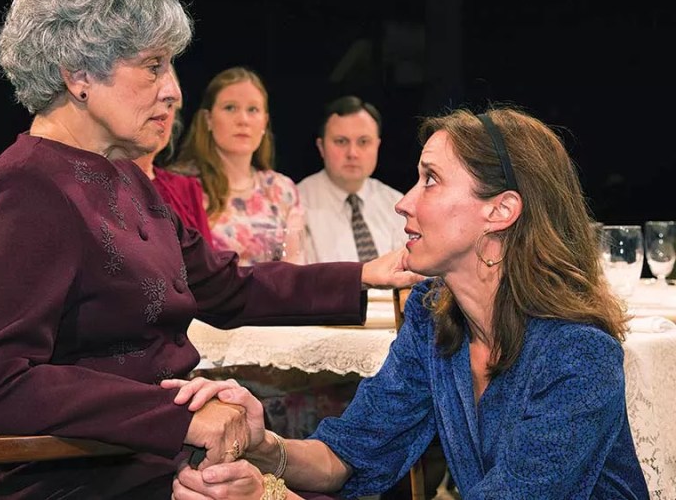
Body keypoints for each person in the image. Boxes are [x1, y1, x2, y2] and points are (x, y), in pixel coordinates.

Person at [0, 0, 419, 499]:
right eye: (152, 66)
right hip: (69, 474)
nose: (174, 90)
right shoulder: (27, 186)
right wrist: (179, 418)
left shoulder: (125, 175)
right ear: (78, 77)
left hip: (142, 456)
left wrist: (364, 275)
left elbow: (224, 286)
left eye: (170, 66)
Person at [169, 106, 650, 499]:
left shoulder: (578, 355)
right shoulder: (434, 316)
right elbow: (350, 453)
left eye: (431, 180)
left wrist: (268, 496)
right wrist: (265, 449)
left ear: (500, 210)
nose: (405, 202)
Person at [172, 67, 305, 266]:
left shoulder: (282, 189)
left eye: (252, 110)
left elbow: (297, 269)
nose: (243, 120)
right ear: (208, 119)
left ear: (265, 122)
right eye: (230, 108)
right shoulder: (180, 187)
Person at [298, 96, 406, 263]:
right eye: (341, 141)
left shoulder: (397, 204)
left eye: (363, 142)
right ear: (321, 147)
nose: (352, 153)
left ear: (377, 145)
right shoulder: (298, 204)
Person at [132, 68, 213, 243]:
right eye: (153, 103)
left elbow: (209, 266)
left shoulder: (187, 188)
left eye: (170, 106)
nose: (163, 115)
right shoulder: (104, 183)